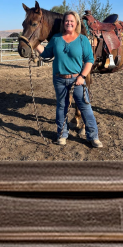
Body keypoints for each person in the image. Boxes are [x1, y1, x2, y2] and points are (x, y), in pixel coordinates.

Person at [35, 11, 103, 148]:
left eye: (72, 21)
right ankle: (62, 135)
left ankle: (93, 136)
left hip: (77, 79)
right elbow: (46, 54)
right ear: (63, 23)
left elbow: (90, 60)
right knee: (61, 107)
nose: (69, 23)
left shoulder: (82, 39)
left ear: (76, 23)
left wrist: (82, 76)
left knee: (85, 107)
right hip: (59, 80)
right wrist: (34, 43)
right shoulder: (56, 39)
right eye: (67, 21)